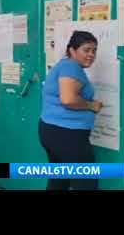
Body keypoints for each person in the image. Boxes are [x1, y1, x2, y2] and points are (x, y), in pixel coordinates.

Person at [39, 31, 103, 190]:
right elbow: (68, 99)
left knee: (60, 180)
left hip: (53, 130)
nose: (91, 54)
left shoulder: (65, 65)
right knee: (86, 182)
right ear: (72, 50)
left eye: (94, 50)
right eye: (86, 50)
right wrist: (91, 105)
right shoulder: (71, 66)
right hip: (67, 135)